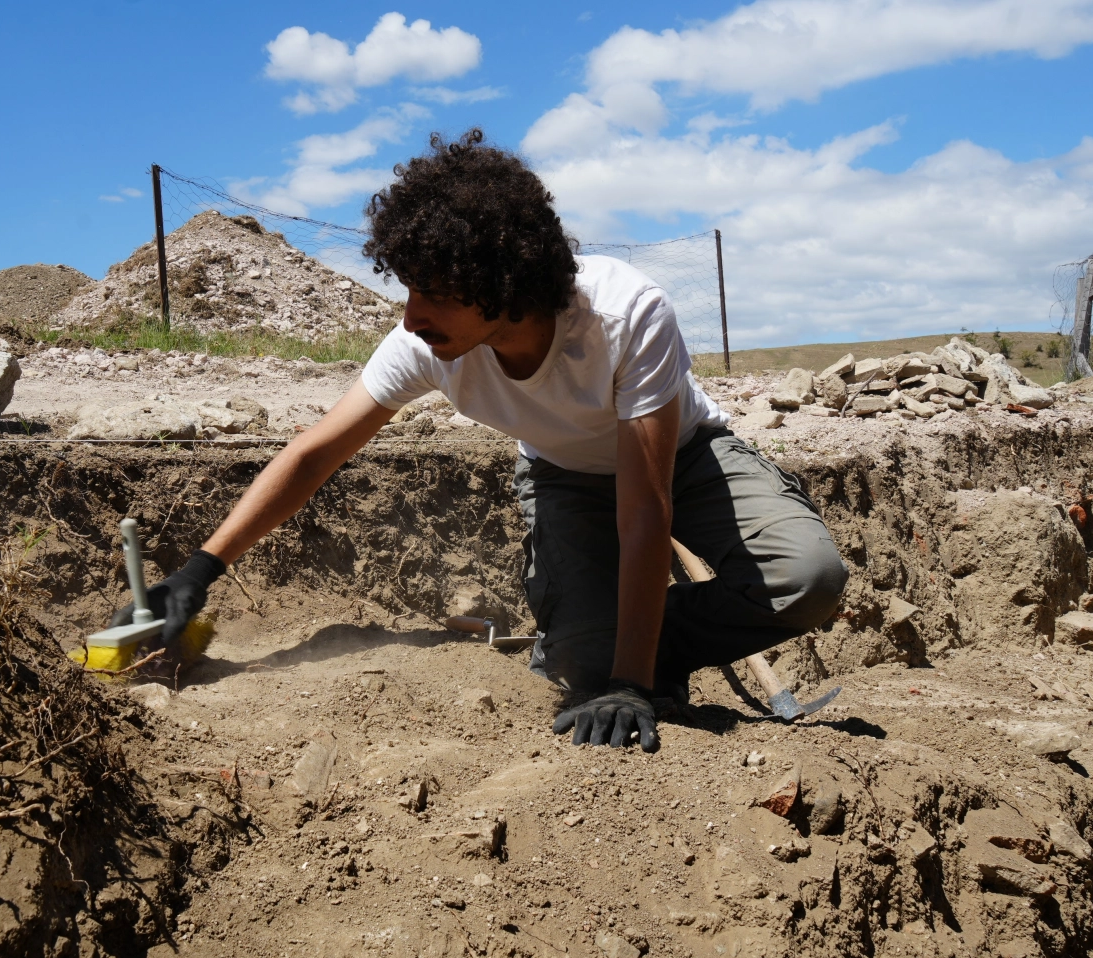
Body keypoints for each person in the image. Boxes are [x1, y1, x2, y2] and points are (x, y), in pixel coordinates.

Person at [117, 129, 848, 754]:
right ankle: (597, 643)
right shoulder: (428, 346)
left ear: (505, 282)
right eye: (407, 288)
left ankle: (635, 649)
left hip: (681, 459)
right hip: (563, 476)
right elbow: (317, 453)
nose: (410, 316)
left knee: (806, 578)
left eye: (433, 292)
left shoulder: (626, 314)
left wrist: (631, 678)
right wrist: (198, 572)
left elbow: (645, 506)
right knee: (581, 665)